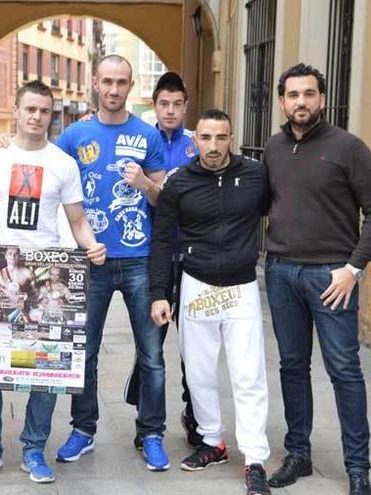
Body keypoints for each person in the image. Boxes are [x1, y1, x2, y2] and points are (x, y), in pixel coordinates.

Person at [0, 80, 106, 484]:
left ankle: (34, 449)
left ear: (50, 114)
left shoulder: (63, 164)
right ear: (16, 111)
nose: (37, 116)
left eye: (44, 110)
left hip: (43, 277)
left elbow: (77, 221)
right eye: (30, 109)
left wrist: (92, 246)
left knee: (47, 370)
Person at [263, 63, 371, 495]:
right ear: (282, 101)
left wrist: (354, 268)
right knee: (292, 367)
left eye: (309, 94)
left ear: (321, 98)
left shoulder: (349, 148)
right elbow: (262, 204)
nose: (301, 101)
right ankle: (297, 454)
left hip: (332, 277)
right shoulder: (274, 148)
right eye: (293, 94)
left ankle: (359, 470)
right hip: (280, 274)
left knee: (344, 371)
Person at [53, 54, 170, 471]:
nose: (114, 89)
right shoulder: (73, 136)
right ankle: (83, 429)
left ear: (131, 85)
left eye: (122, 82)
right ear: (95, 83)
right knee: (83, 352)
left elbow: (163, 200)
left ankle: (151, 432)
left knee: (151, 354)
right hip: (90, 261)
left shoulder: (148, 136)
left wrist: (144, 184)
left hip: (140, 260)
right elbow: (49, 182)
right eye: (107, 81)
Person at [150, 109, 271, 495]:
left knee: (248, 374)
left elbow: (280, 206)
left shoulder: (255, 175)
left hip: (241, 287)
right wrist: (158, 294)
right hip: (196, 285)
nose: (213, 146)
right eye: (206, 138)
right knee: (199, 373)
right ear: (194, 140)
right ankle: (213, 442)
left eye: (221, 138)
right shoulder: (179, 183)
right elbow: (163, 241)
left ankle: (254, 459)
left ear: (231, 138)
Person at [123, 71, 201, 449]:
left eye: (177, 104)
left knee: (193, 342)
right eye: (163, 104)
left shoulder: (196, 144)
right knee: (151, 341)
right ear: (154, 105)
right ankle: (146, 416)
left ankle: (194, 414)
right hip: (152, 253)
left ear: (186, 106)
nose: (170, 111)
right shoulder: (142, 141)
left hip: (192, 254)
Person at [0, 246, 35, 323]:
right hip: (5, 309)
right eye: (10, 254)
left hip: (23, 309)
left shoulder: (28, 273)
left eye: (16, 254)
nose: (13, 257)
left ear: (19, 256)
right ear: (5, 256)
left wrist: (26, 296)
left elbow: (36, 294)